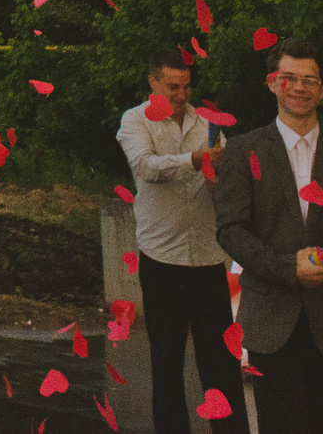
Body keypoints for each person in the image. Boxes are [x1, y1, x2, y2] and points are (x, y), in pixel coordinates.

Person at [213, 39, 323, 434]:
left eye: (310, 80)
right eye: (288, 78)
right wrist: (288, 268)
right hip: (270, 321)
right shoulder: (242, 150)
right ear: (271, 83)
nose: (300, 87)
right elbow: (230, 229)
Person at [118, 50, 253, 434]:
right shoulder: (134, 120)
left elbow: (221, 183)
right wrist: (194, 160)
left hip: (208, 256)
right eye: (173, 86)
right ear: (153, 82)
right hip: (161, 257)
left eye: (187, 85)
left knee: (221, 362)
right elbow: (145, 166)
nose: (182, 94)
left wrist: (218, 175)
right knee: (167, 362)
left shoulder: (207, 122)